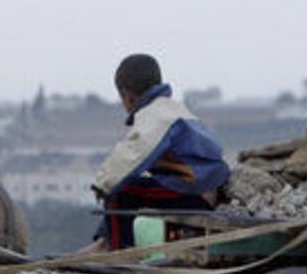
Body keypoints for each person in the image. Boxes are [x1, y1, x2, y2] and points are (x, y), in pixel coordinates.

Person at [89, 54, 230, 250]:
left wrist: (102, 183)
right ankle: (103, 242)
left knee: (118, 193)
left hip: (194, 191)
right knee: (129, 187)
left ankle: (117, 250)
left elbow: (131, 153)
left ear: (127, 95)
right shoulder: (172, 109)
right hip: (203, 185)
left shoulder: (155, 116)